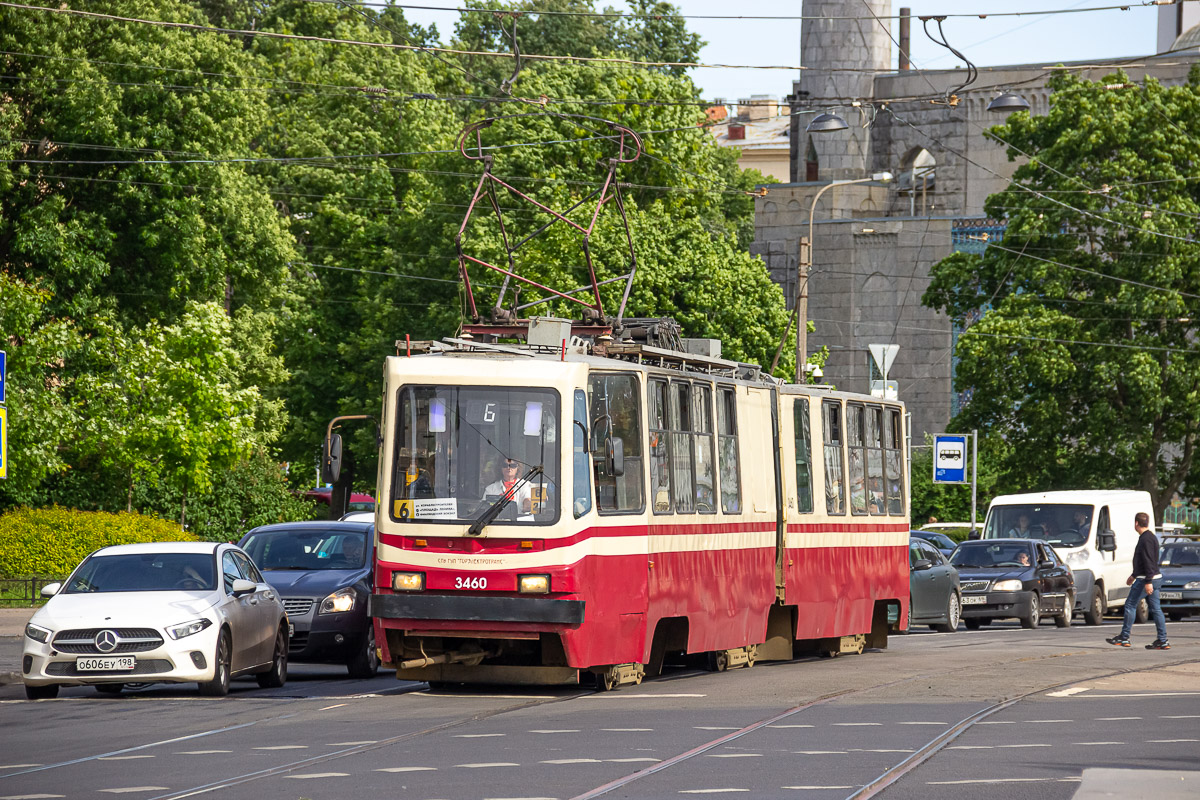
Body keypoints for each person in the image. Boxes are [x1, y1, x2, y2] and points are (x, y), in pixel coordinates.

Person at [1106, 512, 1170, 649]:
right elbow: (1147, 561)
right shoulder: (1151, 537)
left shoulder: (1145, 539)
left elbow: (1147, 561)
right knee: (1156, 609)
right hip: (1153, 577)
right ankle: (1163, 640)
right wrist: (1134, 575)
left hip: (1146, 579)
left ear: (1136, 523)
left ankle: (1124, 637)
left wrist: (1147, 581)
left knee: (1130, 604)